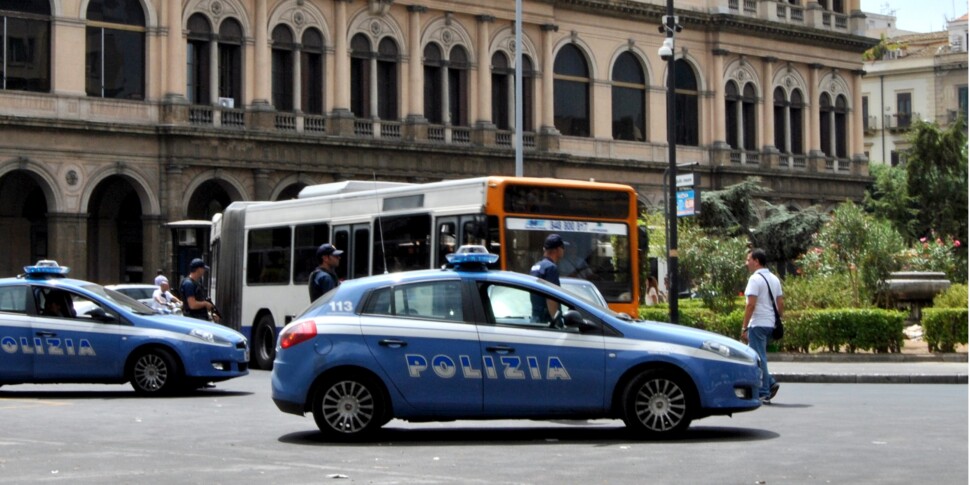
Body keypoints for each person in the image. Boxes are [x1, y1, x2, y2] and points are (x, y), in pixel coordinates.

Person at [741, 248, 782, 404]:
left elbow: (750, 304)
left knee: (759, 358)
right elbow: (780, 303)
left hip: (758, 324)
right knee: (758, 356)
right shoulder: (774, 279)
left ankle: (765, 391)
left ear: (756, 261)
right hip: (771, 324)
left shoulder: (754, 279)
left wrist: (744, 326)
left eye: (748, 259)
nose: (747, 263)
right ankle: (770, 382)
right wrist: (776, 318)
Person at [530, 234, 567, 325]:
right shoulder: (551, 268)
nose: (564, 250)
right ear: (557, 250)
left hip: (535, 320)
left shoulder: (535, 267)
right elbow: (551, 298)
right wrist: (556, 322)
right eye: (563, 247)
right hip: (547, 322)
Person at [181, 258, 219, 322]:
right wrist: (205, 304)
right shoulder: (189, 284)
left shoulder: (194, 283)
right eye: (203, 269)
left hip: (198, 318)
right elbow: (192, 305)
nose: (204, 271)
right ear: (199, 269)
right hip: (194, 319)